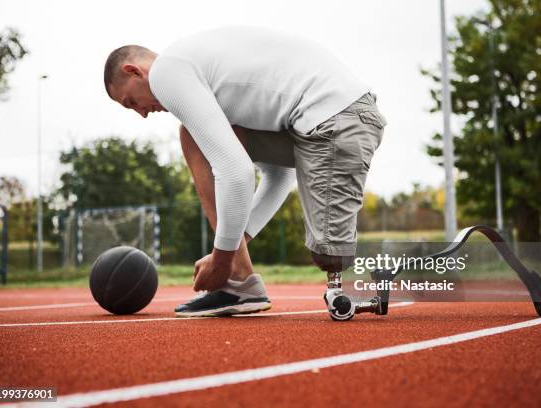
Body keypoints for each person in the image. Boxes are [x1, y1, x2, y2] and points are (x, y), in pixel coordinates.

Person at [103, 26, 387, 317]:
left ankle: (423, 268)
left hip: (338, 122)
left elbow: (236, 172)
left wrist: (222, 260)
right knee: (192, 137)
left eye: (131, 102)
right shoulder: (200, 68)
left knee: (330, 253)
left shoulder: (166, 72)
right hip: (325, 123)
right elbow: (279, 175)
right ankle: (242, 284)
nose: (141, 113)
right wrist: (230, 251)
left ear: (133, 71)